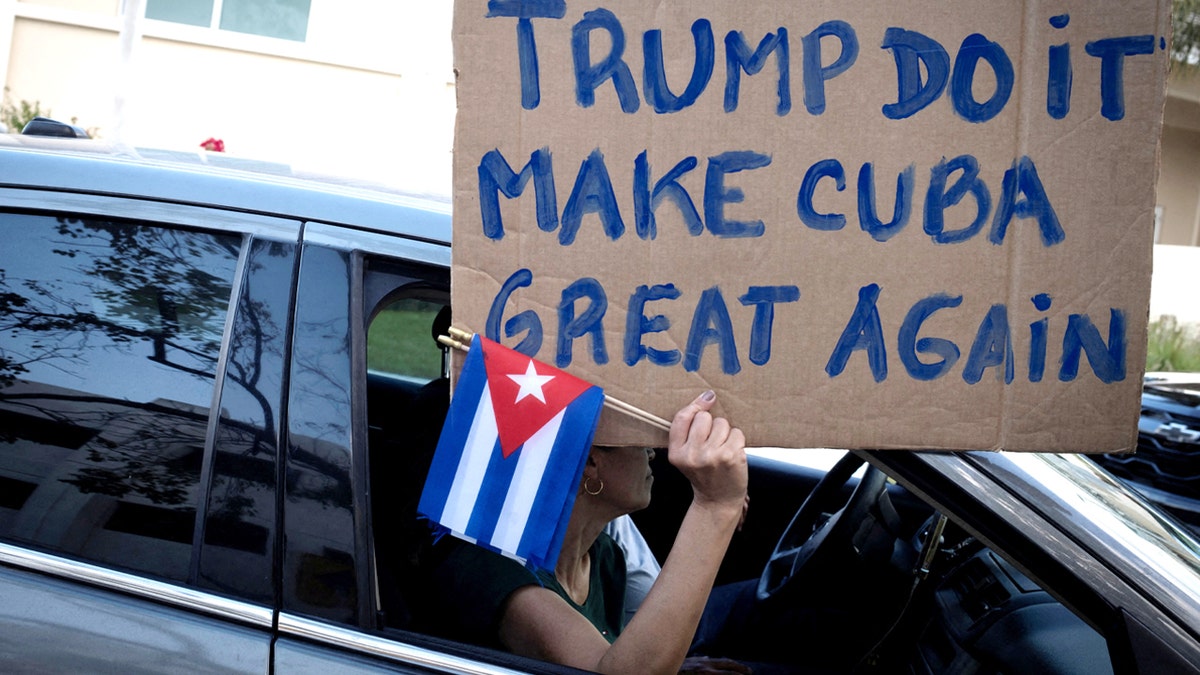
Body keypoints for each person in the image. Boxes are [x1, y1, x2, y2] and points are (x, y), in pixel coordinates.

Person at [425, 390, 752, 674]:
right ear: (590, 464)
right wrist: (714, 506)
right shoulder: (491, 568)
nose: (652, 452)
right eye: (637, 442)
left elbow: (615, 655)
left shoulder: (604, 554)